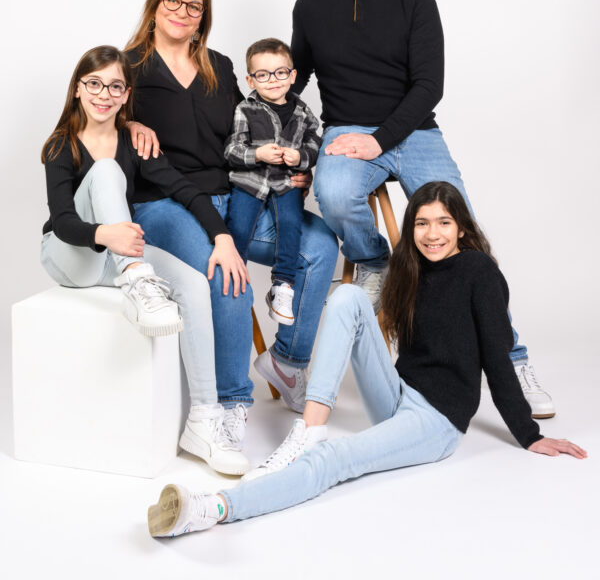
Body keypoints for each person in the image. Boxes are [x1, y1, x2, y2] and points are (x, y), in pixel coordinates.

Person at [147, 181, 585, 538]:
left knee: (333, 462)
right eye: (422, 223)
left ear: (462, 229)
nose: (432, 234)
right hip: (397, 395)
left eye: (444, 223)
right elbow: (373, 332)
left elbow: (497, 356)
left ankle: (214, 509)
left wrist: (528, 434)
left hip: (436, 421)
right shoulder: (410, 270)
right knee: (352, 296)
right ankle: (310, 426)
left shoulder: (480, 272)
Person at [290, 0, 555, 418]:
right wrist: (290, 149)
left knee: (465, 232)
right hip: (347, 128)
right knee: (335, 192)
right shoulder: (311, 3)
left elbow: (429, 85)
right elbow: (293, 81)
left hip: (414, 131)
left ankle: (512, 357)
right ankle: (375, 263)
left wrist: (381, 139)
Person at [123, 0, 338, 427]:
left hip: (234, 195)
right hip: (165, 203)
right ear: (156, 4)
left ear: (204, 17)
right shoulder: (128, 68)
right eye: (173, 1)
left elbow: (256, 123)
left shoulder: (217, 65)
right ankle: (231, 403)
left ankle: (287, 362)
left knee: (320, 248)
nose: (183, 12)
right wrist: (128, 124)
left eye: (194, 6)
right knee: (230, 276)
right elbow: (92, 118)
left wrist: (291, 164)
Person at [41, 46, 249, 475]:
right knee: (103, 173)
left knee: (192, 283)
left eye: (115, 86)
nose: (104, 94)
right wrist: (104, 234)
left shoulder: (133, 142)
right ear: (78, 88)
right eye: (94, 83)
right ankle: (137, 279)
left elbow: (184, 189)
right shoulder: (60, 144)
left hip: (116, 254)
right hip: (71, 255)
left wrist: (222, 237)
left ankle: (204, 420)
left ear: (125, 93)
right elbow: (61, 222)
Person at [224, 38, 321, 326]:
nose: (273, 81)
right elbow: (231, 150)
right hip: (249, 181)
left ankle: (283, 286)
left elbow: (316, 143)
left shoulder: (303, 113)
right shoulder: (246, 109)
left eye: (280, 73)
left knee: (291, 224)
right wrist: (258, 153)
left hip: (286, 182)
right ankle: (234, 283)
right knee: (239, 226)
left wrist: (300, 157)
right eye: (262, 75)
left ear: (292, 76)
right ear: (250, 79)